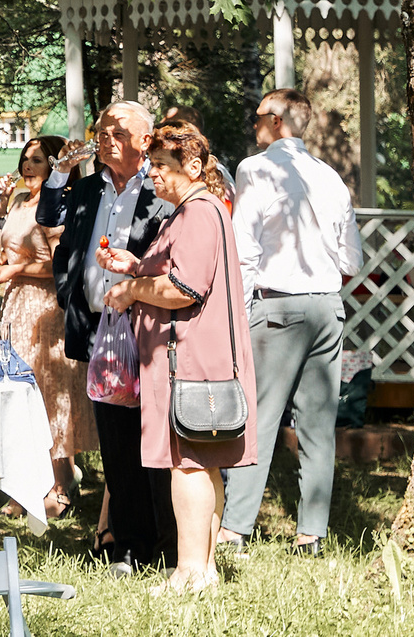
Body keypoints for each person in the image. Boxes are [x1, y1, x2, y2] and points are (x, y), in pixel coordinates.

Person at [93, 119, 257, 595]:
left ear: (193, 165)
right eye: (152, 165)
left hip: (188, 360)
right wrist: (135, 265)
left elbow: (185, 287)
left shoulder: (199, 212)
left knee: (187, 462)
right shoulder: (188, 212)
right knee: (201, 462)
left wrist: (131, 289)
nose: (153, 175)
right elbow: (176, 269)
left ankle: (189, 571)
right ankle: (201, 569)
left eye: (161, 165)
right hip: (187, 359)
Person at [36, 100, 177, 572]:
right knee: (116, 443)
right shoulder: (88, 187)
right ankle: (130, 545)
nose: (105, 139)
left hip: (149, 329)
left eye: (117, 133)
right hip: (99, 330)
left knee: (156, 437)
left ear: (145, 141)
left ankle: (171, 541)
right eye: (102, 131)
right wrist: (67, 289)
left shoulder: (162, 190)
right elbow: (52, 224)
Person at [221, 88, 362, 558]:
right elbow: (352, 259)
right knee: (318, 426)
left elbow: (243, 250)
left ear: (278, 121)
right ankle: (311, 535)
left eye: (259, 114)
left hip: (278, 307)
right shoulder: (332, 177)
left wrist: (239, 317)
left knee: (256, 419)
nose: (253, 123)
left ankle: (235, 529)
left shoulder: (255, 168)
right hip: (327, 306)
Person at [0, 135, 89, 518]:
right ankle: (27, 483)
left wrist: (18, 267)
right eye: (25, 159)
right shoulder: (16, 203)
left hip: (46, 310)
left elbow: (59, 265)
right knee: (17, 398)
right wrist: (2, 254)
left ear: (55, 166)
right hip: (16, 306)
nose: (28, 166)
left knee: (48, 396)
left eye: (38, 160)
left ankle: (61, 486)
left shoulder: (58, 207)